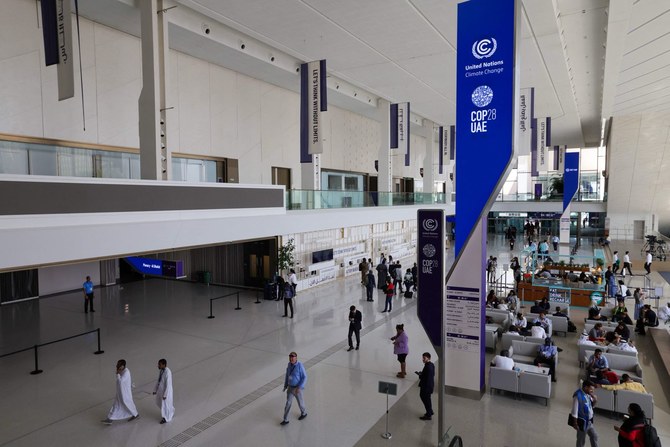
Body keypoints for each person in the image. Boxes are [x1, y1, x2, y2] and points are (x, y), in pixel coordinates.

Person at [102, 359, 139, 424]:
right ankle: (110, 419)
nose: (117, 366)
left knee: (128, 404)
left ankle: (135, 414)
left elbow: (121, 381)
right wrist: (118, 373)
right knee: (115, 405)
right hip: (120, 393)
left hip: (125, 393)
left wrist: (118, 374)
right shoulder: (122, 370)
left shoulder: (126, 372)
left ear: (123, 366)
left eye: (119, 365)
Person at [281, 352, 307, 425]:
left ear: (296, 358)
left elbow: (304, 377)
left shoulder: (300, 366)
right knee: (288, 403)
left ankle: (304, 413)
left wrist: (300, 387)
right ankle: (285, 419)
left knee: (300, 403)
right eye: (290, 357)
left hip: (297, 389)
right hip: (290, 388)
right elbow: (287, 375)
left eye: (293, 357)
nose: (291, 358)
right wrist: (285, 385)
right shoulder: (289, 365)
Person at [570, 380, 599, 447]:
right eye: (591, 389)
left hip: (589, 421)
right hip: (582, 422)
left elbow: (591, 406)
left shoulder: (588, 394)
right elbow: (574, 411)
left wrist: (595, 400)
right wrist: (575, 423)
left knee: (594, 436)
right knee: (581, 440)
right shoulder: (578, 396)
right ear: (586, 387)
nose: (593, 391)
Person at [152, 358, 174, 424]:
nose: (158, 366)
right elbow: (159, 381)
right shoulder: (161, 371)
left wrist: (165, 395)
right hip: (161, 391)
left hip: (166, 392)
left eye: (160, 365)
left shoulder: (168, 372)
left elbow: (168, 384)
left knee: (165, 405)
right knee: (163, 405)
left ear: (164, 365)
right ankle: (169, 412)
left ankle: (165, 418)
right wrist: (155, 390)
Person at [416, 352, 435, 420]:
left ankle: (428, 414)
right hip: (429, 386)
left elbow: (427, 378)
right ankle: (430, 411)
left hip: (426, 387)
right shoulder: (431, 365)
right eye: (423, 358)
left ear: (428, 358)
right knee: (427, 399)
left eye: (424, 358)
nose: (423, 359)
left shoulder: (428, 366)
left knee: (425, 399)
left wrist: (420, 375)